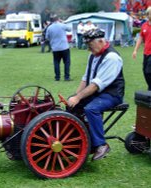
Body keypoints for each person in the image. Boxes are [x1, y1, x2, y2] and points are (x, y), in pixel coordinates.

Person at [67, 28, 125, 161]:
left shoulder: (112, 57)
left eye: (90, 45)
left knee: (91, 109)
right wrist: (75, 96)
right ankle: (78, 139)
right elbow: (86, 78)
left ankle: (101, 145)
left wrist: (78, 97)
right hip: (98, 93)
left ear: (100, 41)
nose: (89, 49)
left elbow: (96, 84)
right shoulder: (93, 54)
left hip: (112, 94)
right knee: (72, 105)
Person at [46, 14, 71, 81]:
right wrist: (62, 22)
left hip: (55, 48)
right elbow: (69, 29)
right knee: (67, 62)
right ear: (58, 19)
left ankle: (57, 77)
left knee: (56, 62)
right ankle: (66, 77)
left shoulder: (49, 27)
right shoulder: (62, 25)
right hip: (64, 47)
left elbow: (47, 37)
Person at [132, 6, 151, 90]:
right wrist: (135, 50)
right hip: (146, 53)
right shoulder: (144, 26)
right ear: (148, 14)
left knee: (148, 71)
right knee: (145, 71)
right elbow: (140, 38)